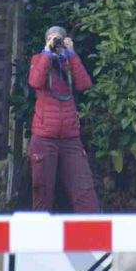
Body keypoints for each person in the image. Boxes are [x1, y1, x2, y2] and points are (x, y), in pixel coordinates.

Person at [26, 25, 100, 213]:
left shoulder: (69, 61)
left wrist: (72, 55)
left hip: (70, 136)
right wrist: (47, 53)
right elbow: (35, 82)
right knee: (42, 192)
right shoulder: (38, 59)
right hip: (44, 136)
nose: (56, 43)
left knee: (85, 192)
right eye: (52, 39)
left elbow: (84, 84)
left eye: (59, 39)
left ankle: (91, 237)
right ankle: (41, 240)